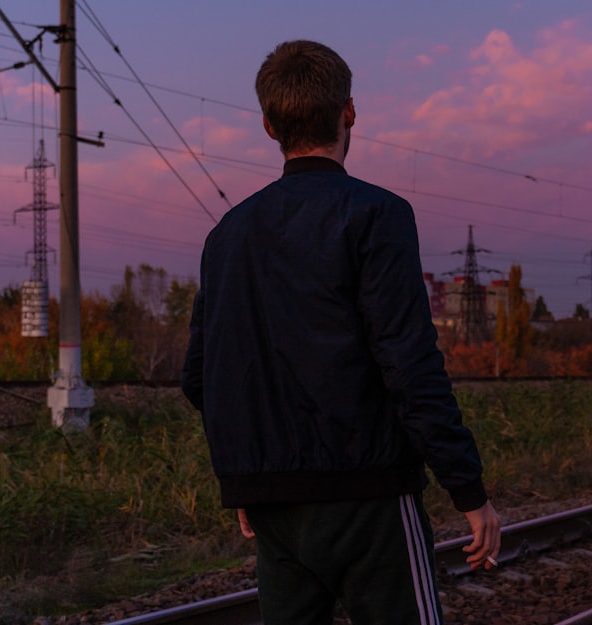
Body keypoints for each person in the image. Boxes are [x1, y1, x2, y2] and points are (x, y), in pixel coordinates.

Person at [181, 39, 501, 625]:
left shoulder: (226, 235)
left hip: (275, 507)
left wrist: (250, 477)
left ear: (268, 124)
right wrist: (469, 491)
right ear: (348, 112)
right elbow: (409, 366)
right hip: (370, 500)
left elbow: (201, 376)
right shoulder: (377, 215)